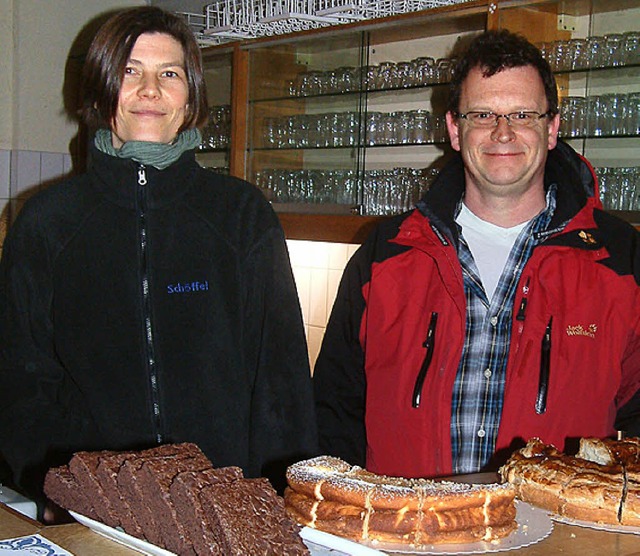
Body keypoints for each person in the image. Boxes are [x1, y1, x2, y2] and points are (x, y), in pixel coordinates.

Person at [0, 6, 317, 520]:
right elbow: (20, 381)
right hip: (94, 512)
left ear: (190, 96)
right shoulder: (46, 223)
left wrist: (281, 501)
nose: (150, 90)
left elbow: (281, 381)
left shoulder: (241, 214)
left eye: (169, 74)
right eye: (130, 71)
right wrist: (56, 489)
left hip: (223, 510)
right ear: (103, 91)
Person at [314, 29, 640, 480]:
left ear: (551, 129)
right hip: (406, 538)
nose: (502, 132)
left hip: (552, 544)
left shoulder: (622, 260)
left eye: (522, 114)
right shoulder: (384, 254)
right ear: (454, 129)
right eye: (482, 114)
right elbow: (333, 411)